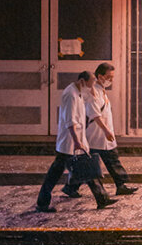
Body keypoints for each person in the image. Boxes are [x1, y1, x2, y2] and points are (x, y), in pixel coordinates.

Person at [36, 71, 113, 211]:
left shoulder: (78, 91)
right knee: (55, 173)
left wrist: (93, 94)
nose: (91, 88)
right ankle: (42, 203)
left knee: (88, 168)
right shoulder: (70, 95)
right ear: (82, 82)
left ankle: (103, 199)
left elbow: (87, 100)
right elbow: (70, 120)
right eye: (90, 85)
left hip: (76, 140)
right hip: (69, 142)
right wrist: (77, 141)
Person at [83, 62, 136, 195]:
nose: (111, 80)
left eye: (112, 77)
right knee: (89, 163)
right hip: (96, 134)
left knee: (112, 159)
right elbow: (95, 115)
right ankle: (71, 187)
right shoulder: (93, 92)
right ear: (100, 76)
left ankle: (121, 185)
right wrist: (106, 130)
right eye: (109, 77)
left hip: (103, 135)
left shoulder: (101, 90)